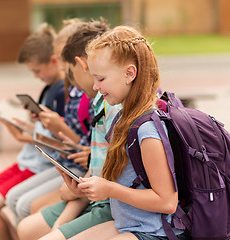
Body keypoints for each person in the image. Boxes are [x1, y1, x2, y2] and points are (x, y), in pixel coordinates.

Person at [65, 26, 187, 240]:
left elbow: (167, 202)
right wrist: (86, 187)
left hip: (155, 232)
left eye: (101, 79)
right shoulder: (122, 118)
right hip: (131, 225)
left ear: (129, 74)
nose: (95, 86)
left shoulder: (147, 130)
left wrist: (109, 189)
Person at [16, 19, 122, 240]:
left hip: (113, 206)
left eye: (68, 70)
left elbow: (163, 200)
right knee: (27, 222)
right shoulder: (99, 102)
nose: (70, 80)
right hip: (91, 192)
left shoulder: (114, 107)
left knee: (29, 213)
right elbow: (94, 165)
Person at [0, 23, 74, 240]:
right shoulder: (50, 88)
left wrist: (24, 135)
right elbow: (49, 129)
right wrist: (28, 126)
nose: (36, 76)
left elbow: (62, 140)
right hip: (28, 161)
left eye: (36, 70)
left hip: (41, 164)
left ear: (55, 61)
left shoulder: (62, 92)